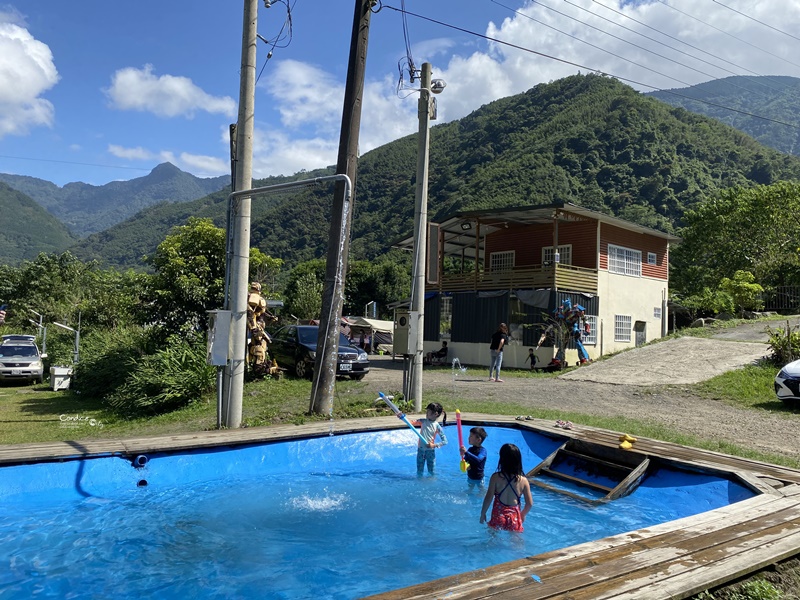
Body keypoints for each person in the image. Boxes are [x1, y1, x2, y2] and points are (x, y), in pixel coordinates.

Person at [480, 443, 533, 532]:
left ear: (502, 460)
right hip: (514, 518)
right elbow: (529, 503)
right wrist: (522, 515)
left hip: (498, 517)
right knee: (517, 542)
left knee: (492, 538)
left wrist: (483, 513)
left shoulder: (495, 478)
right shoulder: (523, 481)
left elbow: (488, 498)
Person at [410, 402, 448, 476]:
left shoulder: (437, 426)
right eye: (426, 412)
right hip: (420, 451)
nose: (426, 414)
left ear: (435, 414)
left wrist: (433, 445)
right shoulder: (422, 421)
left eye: (428, 412)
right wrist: (402, 416)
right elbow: (411, 422)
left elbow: (445, 441)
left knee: (431, 472)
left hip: (430, 452)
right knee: (419, 471)